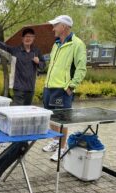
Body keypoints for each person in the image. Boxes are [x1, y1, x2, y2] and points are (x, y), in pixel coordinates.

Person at [42, 15, 87, 161]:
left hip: (62, 89)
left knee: (62, 120)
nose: (53, 28)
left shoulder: (77, 44)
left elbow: (81, 68)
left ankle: (62, 148)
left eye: (55, 25)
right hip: (49, 87)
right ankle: (56, 141)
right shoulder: (56, 44)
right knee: (52, 118)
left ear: (64, 26)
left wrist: (71, 86)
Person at [0, 28, 45, 105]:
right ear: (22, 38)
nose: (28, 38)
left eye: (30, 36)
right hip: (18, 87)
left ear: (33, 38)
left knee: (28, 111)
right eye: (26, 36)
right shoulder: (16, 50)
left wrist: (38, 62)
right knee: (18, 111)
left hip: (30, 88)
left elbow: (43, 66)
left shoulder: (36, 51)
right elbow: (5, 47)